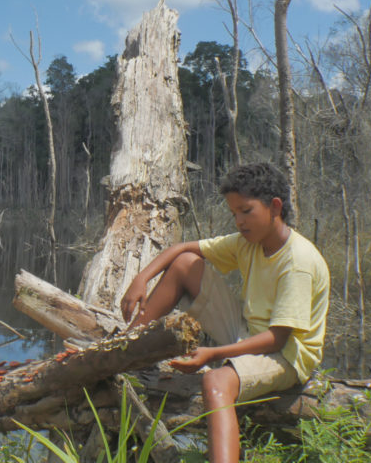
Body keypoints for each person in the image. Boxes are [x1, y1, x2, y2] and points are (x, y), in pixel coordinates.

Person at [120, 162, 329, 463]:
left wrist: (213, 355)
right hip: (248, 331)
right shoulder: (249, 243)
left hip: (286, 355)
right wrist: (141, 278)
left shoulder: (298, 262)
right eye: (234, 214)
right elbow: (181, 249)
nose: (239, 222)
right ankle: (125, 348)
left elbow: (277, 339)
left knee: (215, 382)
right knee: (185, 264)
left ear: (275, 207)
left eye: (246, 211)